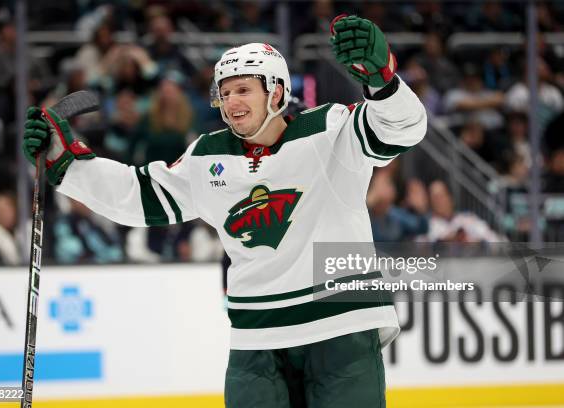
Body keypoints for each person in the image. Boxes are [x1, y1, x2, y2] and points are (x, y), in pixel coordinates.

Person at [23, 15, 426, 408]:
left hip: (341, 329)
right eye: (225, 92)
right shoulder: (207, 154)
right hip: (257, 342)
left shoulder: (332, 130)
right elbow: (136, 194)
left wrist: (383, 80)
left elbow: (403, 129)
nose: (231, 101)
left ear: (277, 93)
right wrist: (66, 164)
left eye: (243, 90)